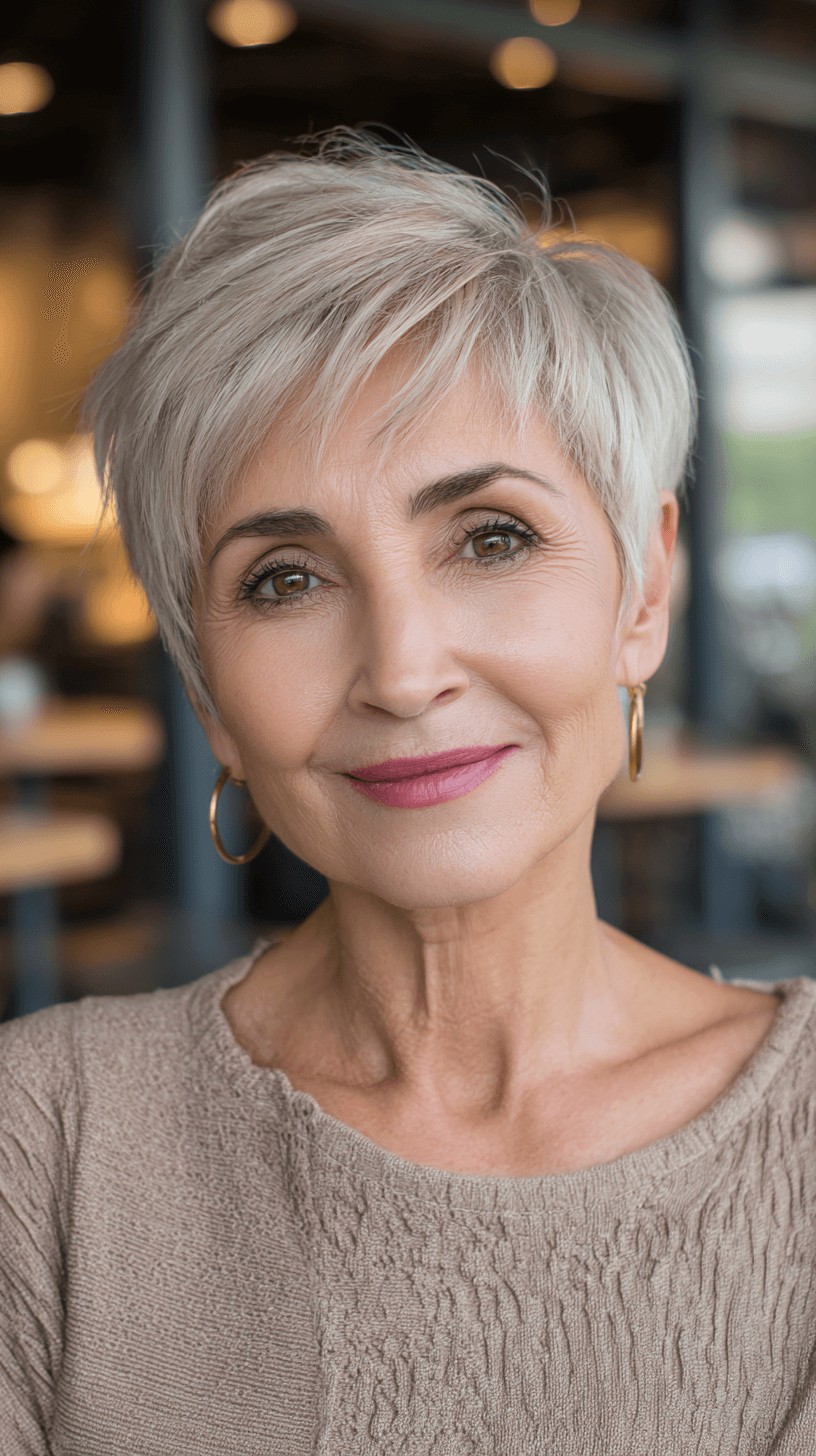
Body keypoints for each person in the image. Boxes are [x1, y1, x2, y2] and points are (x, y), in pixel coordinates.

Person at [1, 128, 814, 1456]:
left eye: (490, 538)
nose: (403, 668)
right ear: (206, 684)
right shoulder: (45, 1150)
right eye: (285, 578)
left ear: (643, 590)